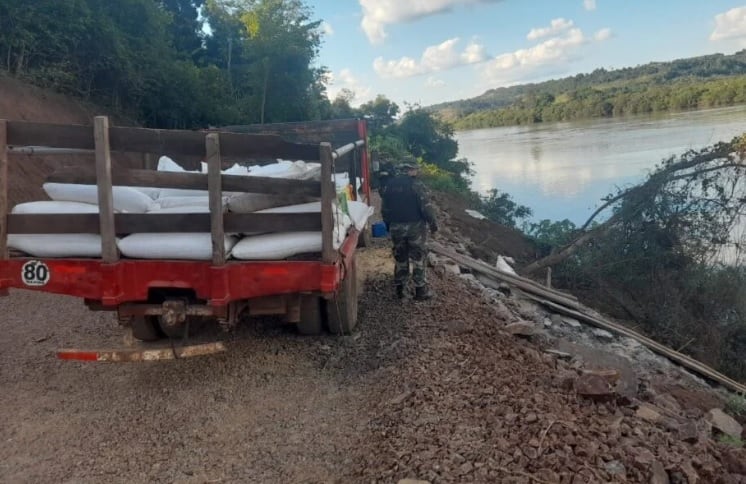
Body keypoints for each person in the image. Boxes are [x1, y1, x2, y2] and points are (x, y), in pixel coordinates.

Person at [381, 162, 439, 300]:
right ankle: (420, 291)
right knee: (418, 256)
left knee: (400, 256)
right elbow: (426, 208)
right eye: (415, 169)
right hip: (415, 227)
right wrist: (433, 224)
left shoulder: (389, 185)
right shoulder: (417, 185)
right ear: (410, 170)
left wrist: (389, 224)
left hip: (396, 226)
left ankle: (401, 291)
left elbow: (384, 209)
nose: (417, 172)